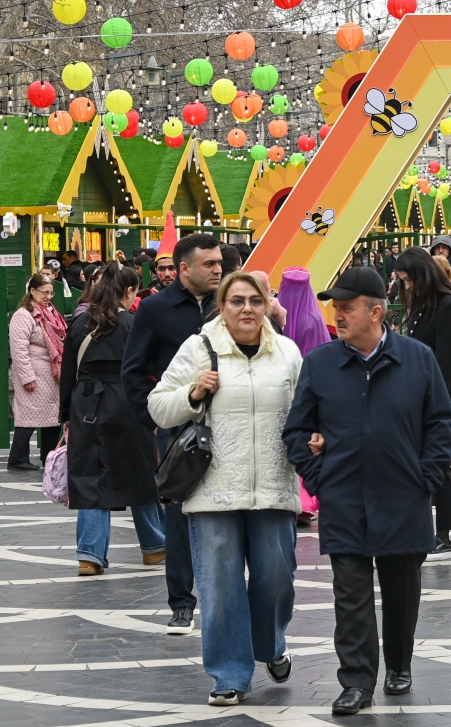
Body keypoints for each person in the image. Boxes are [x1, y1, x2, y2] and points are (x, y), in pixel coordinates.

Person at [284, 266, 451, 715]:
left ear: (376, 312)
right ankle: (356, 682)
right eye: (336, 308)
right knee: (350, 597)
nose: (338, 316)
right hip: (344, 498)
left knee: (401, 592)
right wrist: (318, 478)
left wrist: (425, 477)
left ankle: (399, 664)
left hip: (403, 496)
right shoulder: (321, 363)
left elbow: (441, 422)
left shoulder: (417, 358)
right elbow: (296, 429)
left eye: (347, 308)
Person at [149, 271, 303, 707]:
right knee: (219, 586)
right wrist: (193, 393)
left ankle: (270, 643)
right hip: (212, 489)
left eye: (255, 301)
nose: (247, 309)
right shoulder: (198, 348)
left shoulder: (287, 353)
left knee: (276, 578)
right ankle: (229, 674)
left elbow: (306, 410)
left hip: (273, 486)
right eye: (237, 301)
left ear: (268, 304)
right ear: (222, 306)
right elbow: (158, 406)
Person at [122, 231, 224, 634]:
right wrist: (153, 422)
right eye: (209, 264)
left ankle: (228, 597)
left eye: (220, 263)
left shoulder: (229, 303)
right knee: (179, 514)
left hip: (229, 424)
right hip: (178, 426)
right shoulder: (155, 309)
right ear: (184, 268)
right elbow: (133, 371)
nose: (217, 270)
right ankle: (181, 602)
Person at [61, 264, 164, 575]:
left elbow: (68, 373)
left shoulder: (79, 324)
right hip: (128, 401)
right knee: (140, 471)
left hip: (86, 403)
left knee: (90, 477)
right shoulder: (134, 324)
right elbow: (153, 369)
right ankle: (154, 546)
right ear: (129, 291)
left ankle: (89, 555)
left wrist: (66, 415)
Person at [395, 249, 451, 559]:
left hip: (438, 399)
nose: (407, 286)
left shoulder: (449, 306)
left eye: (408, 279)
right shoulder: (424, 304)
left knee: (438, 464)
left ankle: (443, 534)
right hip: (417, 395)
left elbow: (446, 362)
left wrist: (430, 401)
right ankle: (422, 528)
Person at [276, 267, 333, 526]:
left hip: (280, 389)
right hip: (308, 391)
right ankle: (306, 501)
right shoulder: (314, 319)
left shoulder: (275, 316)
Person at [7, 274, 65, 471]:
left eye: (51, 293)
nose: (48, 296)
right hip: (33, 374)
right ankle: (17, 458)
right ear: (32, 291)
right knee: (28, 417)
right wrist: (27, 376)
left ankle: (48, 456)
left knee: (52, 417)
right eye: (44, 292)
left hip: (51, 374)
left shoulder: (50, 312)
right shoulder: (23, 315)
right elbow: (18, 349)